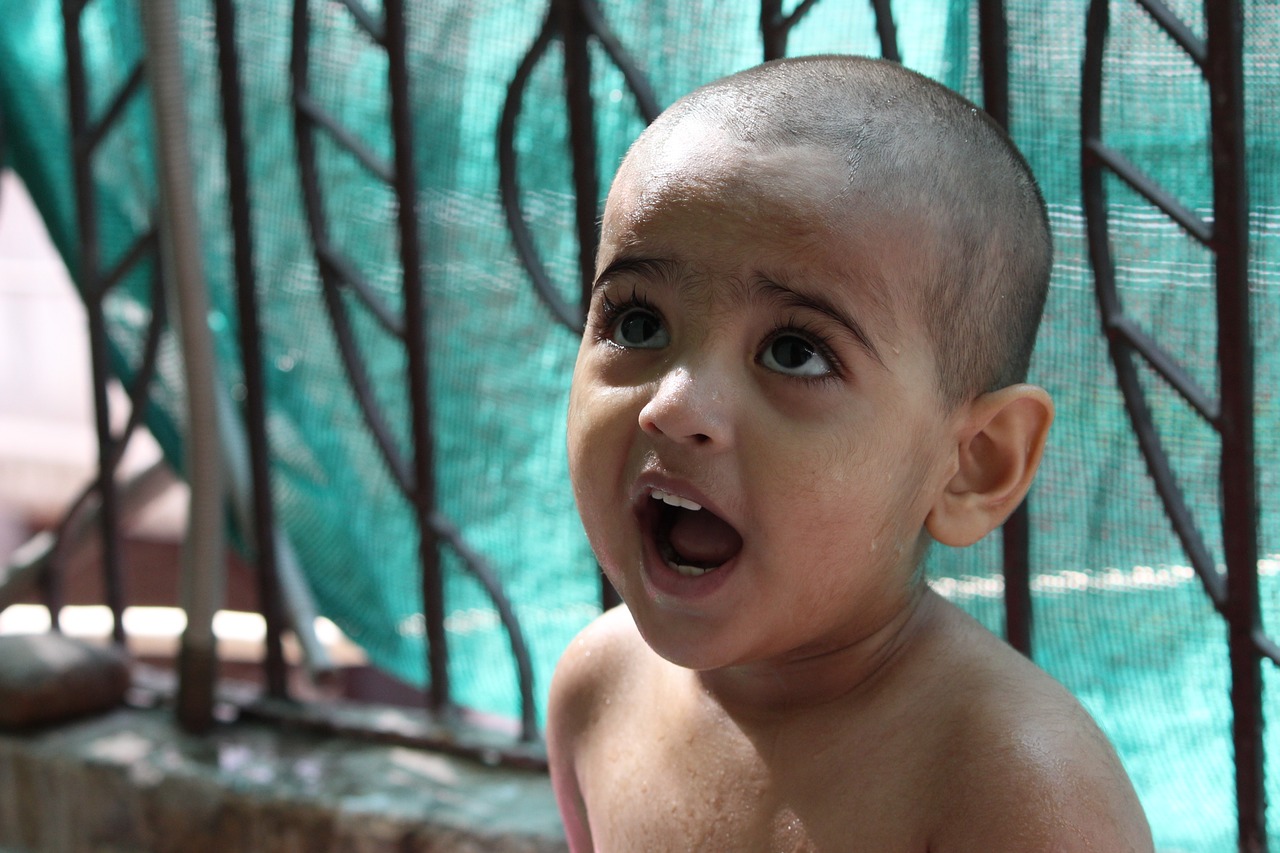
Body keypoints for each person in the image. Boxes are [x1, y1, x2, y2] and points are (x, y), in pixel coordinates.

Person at [548, 55, 1153, 852]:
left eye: (794, 352)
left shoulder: (1011, 789)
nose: (674, 404)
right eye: (636, 324)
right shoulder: (595, 691)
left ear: (974, 464)